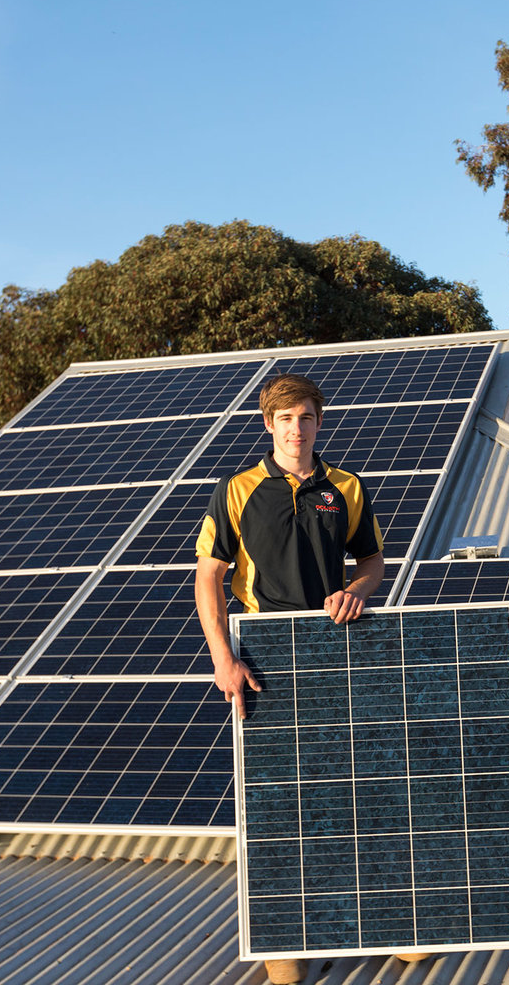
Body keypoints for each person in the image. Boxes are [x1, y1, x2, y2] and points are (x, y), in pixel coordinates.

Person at [195, 372, 389, 985]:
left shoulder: (347, 487)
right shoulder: (238, 490)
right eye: (285, 419)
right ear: (268, 424)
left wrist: (356, 592)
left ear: (318, 423)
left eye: (306, 417)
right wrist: (223, 659)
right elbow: (209, 578)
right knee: (275, 806)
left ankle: (385, 922)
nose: (296, 429)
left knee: (347, 792)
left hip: (334, 653)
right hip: (265, 659)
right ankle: (283, 944)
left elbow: (373, 561)